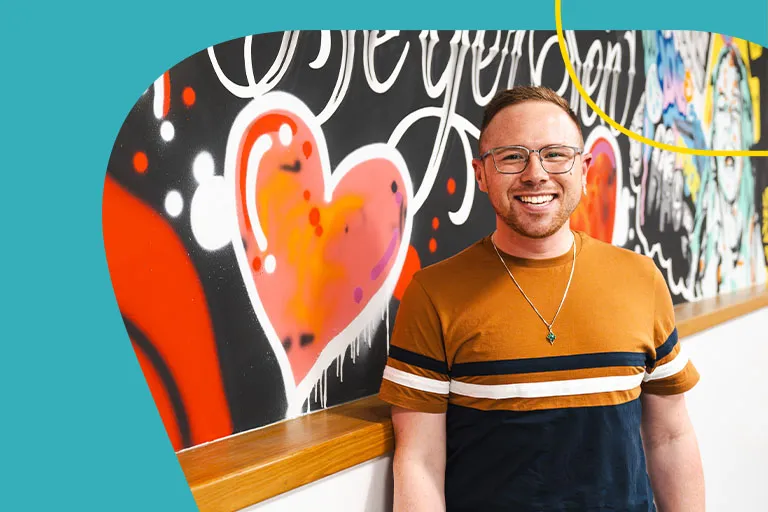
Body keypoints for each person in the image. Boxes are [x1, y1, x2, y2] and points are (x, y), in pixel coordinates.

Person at [378, 85, 705, 511]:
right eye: (512, 156)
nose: (536, 173)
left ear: (584, 168)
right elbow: (418, 460)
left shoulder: (640, 279)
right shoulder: (433, 294)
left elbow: (670, 436)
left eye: (555, 154)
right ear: (481, 173)